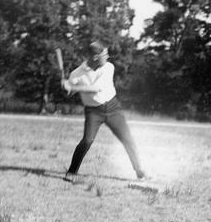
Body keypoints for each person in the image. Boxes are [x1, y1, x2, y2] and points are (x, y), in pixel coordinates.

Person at [61, 40, 148, 182]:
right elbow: (69, 93)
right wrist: (65, 87)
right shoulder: (76, 73)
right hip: (93, 112)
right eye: (104, 54)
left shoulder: (108, 67)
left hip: (113, 108)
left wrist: (72, 88)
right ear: (95, 57)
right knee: (87, 141)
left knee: (128, 140)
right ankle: (71, 172)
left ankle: (139, 171)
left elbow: (96, 88)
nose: (107, 57)